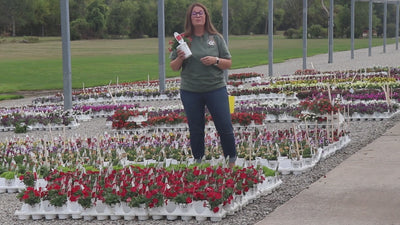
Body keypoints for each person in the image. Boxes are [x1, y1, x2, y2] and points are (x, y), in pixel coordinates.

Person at [170, 2, 236, 168]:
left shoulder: (216, 38)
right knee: (196, 128)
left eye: (201, 13)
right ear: (190, 18)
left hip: (216, 89)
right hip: (191, 91)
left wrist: (215, 60)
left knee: (224, 125)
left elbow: (228, 63)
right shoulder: (182, 39)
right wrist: (180, 57)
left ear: (206, 17)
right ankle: (199, 162)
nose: (198, 16)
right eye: (194, 13)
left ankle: (231, 161)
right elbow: (174, 67)